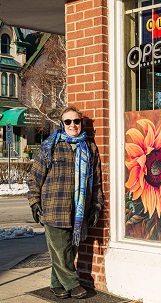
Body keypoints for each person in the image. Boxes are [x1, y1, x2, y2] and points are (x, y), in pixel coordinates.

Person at [27, 106, 104, 299]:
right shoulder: (49, 146)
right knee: (61, 252)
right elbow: (35, 177)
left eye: (76, 121)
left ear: (81, 124)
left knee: (69, 251)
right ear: (62, 124)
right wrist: (34, 202)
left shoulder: (90, 148)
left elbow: (96, 181)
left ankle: (56, 284)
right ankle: (72, 283)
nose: (72, 125)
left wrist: (96, 205)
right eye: (68, 122)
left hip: (78, 212)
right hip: (54, 208)